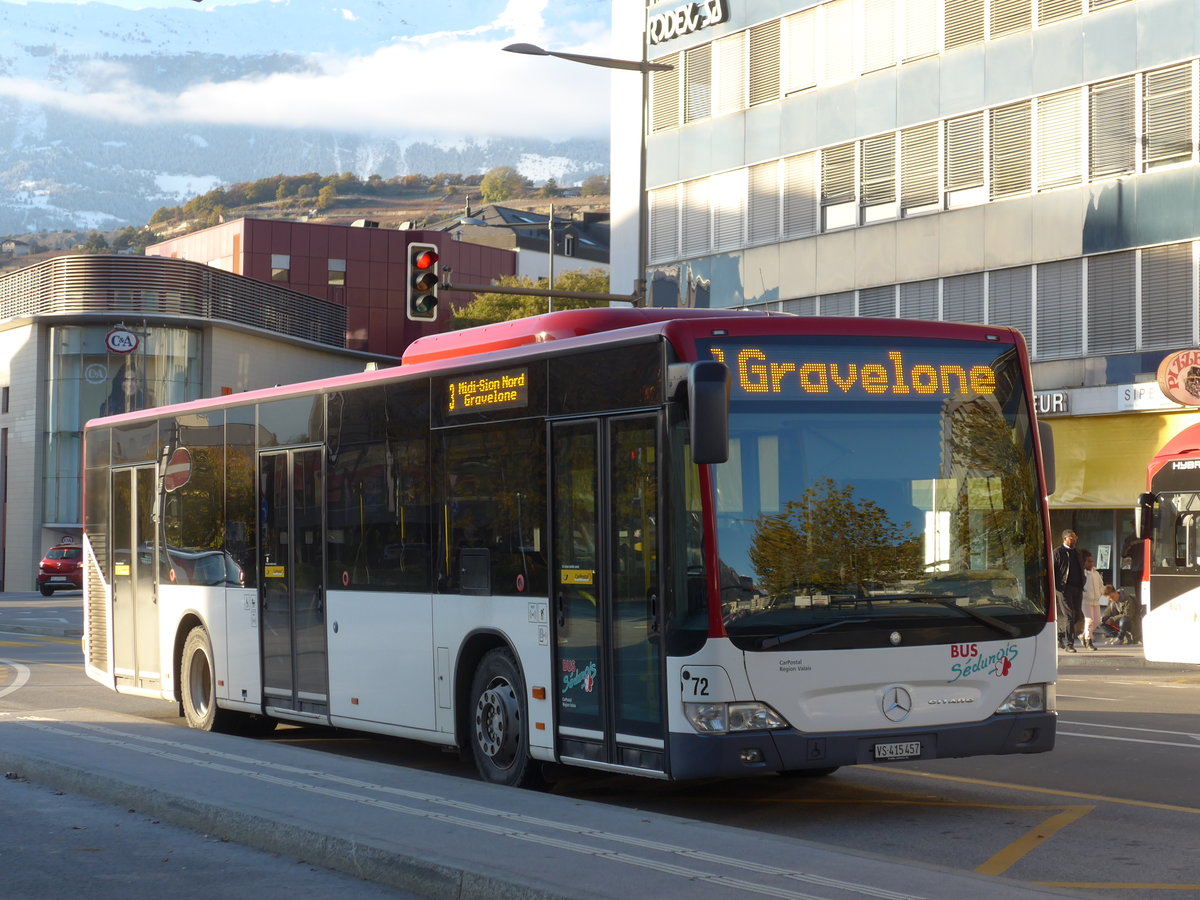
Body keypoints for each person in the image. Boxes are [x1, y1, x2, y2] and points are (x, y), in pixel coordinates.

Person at [1053, 530, 1085, 652]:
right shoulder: (1058, 552)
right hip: (1064, 589)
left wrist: (1083, 582)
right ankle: (1069, 645)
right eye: (1071, 538)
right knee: (1069, 616)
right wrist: (1057, 587)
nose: (1074, 540)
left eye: (1075, 537)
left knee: (1077, 615)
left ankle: (1060, 635)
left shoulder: (1077, 552)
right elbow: (1053, 571)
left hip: (1077, 588)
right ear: (1065, 539)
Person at [1080, 551, 1104, 651]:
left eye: (1092, 561)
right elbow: (1080, 587)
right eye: (1089, 561)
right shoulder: (1082, 574)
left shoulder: (1096, 573)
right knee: (1089, 620)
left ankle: (1084, 635)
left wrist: (1100, 593)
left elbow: (1101, 585)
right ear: (1084, 562)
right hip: (1085, 601)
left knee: (1097, 621)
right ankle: (1088, 640)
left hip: (1095, 601)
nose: (1091, 563)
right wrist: (1085, 595)